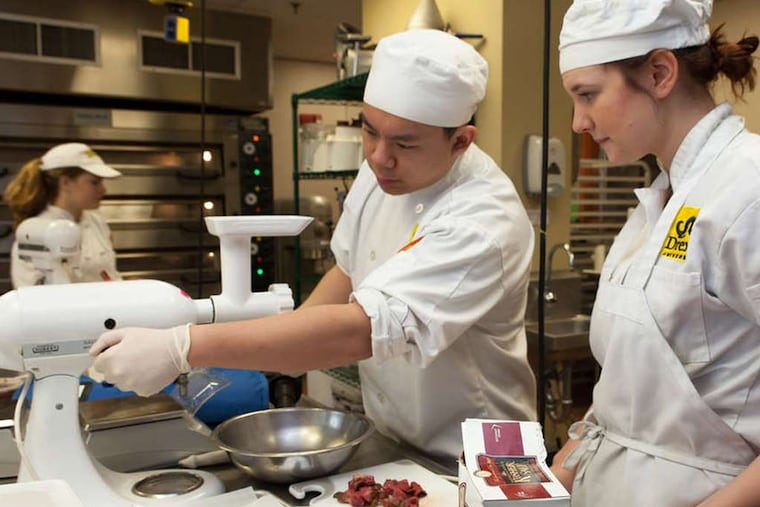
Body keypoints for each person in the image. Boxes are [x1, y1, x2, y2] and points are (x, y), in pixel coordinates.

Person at [89, 29, 537, 464]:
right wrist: (286, 351)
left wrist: (181, 347)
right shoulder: (383, 172)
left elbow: (361, 328)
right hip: (400, 439)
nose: (379, 156)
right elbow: (347, 269)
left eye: (404, 142)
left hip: (480, 454)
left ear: (460, 141)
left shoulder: (482, 221)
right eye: (370, 130)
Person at [549, 0, 760, 505]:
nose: (579, 122)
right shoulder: (658, 203)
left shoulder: (748, 186)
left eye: (588, 95)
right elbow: (635, 386)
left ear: (660, 73)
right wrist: (565, 465)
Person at [3, 142, 122, 287]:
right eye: (94, 182)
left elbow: (109, 275)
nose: (103, 190)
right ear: (65, 182)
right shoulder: (36, 233)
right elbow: (32, 297)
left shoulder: (97, 222)